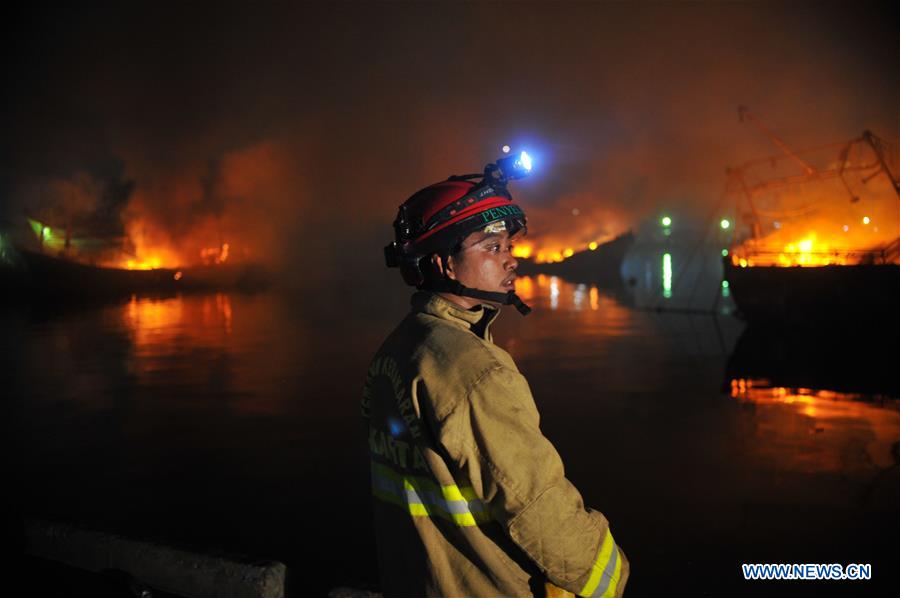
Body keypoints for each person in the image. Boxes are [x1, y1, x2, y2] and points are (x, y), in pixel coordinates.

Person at [363, 155, 628, 597]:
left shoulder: (397, 350)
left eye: (509, 246)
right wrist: (609, 578)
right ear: (445, 264)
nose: (511, 261)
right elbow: (537, 506)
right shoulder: (476, 372)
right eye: (491, 247)